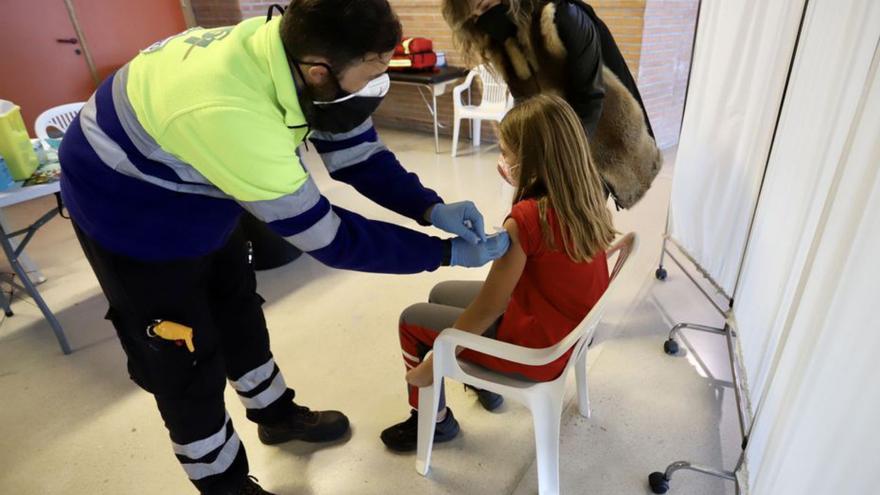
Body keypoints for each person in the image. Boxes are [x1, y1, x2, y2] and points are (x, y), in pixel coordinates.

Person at [58, 0, 509, 493]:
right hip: (128, 210)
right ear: (318, 73)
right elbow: (331, 239)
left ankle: (274, 413)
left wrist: (427, 207)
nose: (378, 81)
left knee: (237, 306)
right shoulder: (235, 115)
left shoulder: (296, 52)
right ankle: (225, 484)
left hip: (200, 181)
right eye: (373, 70)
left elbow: (356, 152)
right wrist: (442, 254)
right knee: (183, 359)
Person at [380, 94, 616, 452]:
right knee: (442, 292)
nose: (502, 160)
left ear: (529, 161)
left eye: (506, 152)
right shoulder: (585, 196)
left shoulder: (527, 217)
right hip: (563, 329)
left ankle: (434, 420)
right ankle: (484, 384)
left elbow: (491, 305)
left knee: (412, 320)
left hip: (536, 351)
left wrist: (434, 363)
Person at [442, 0, 662, 209]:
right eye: (473, 18)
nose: (483, 20)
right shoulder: (500, 41)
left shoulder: (563, 16)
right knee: (555, 220)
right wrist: (515, 150)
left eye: (485, 7)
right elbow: (526, 104)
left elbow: (591, 100)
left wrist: (560, 162)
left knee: (582, 216)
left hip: (599, 128)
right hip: (558, 138)